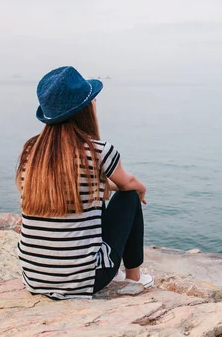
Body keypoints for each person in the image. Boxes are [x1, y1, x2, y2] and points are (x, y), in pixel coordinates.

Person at [15, 66, 152, 299]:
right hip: (85, 280)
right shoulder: (98, 150)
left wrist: (108, 185)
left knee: (102, 198)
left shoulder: (32, 150)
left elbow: (72, 183)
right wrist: (140, 190)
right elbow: (129, 183)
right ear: (85, 110)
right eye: (93, 100)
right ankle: (134, 277)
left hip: (35, 278)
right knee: (128, 197)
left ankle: (119, 270)